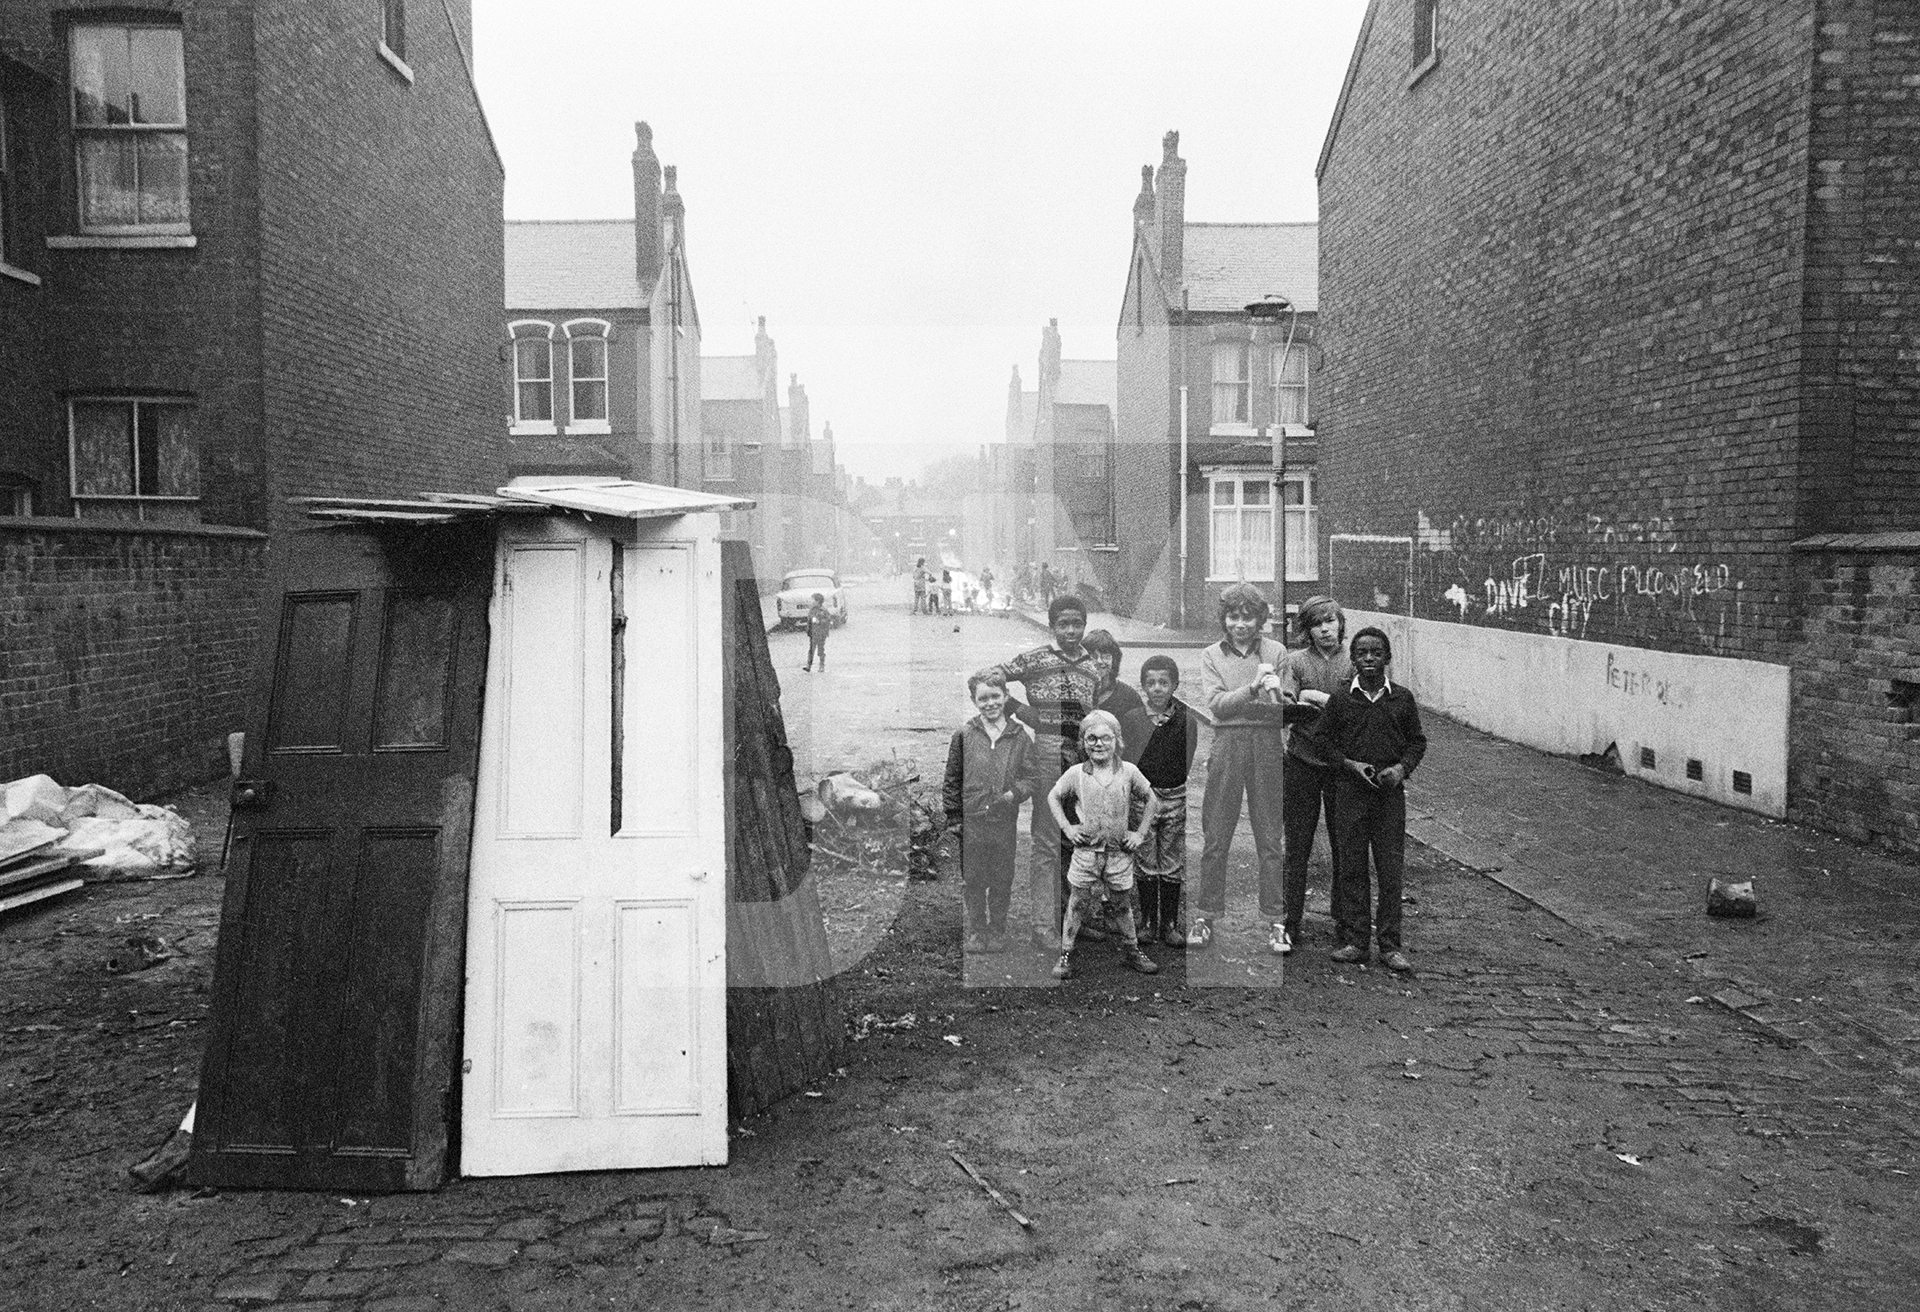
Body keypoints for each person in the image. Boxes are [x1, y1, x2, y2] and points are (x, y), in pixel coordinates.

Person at [975, 594, 1104, 951]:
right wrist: (1022, 711)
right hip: (1046, 751)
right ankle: (1042, 927)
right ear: (1052, 625)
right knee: (1047, 838)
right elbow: (986, 678)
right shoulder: (1036, 659)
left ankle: (1074, 917)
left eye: (1077, 624)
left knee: (1078, 836)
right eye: (1063, 624)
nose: (1070, 631)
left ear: (1084, 625)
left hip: (1082, 754)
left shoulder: (1093, 667)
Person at [1308, 627, 1427, 973]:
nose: (1370, 659)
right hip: (1350, 794)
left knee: (1390, 871)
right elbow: (1323, 741)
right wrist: (1349, 765)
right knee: (1352, 866)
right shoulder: (1342, 698)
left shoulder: (1401, 699)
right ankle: (1356, 940)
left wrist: (1401, 769)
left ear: (1388, 658)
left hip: (1389, 798)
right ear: (1354, 659)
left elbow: (1417, 742)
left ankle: (1390, 946)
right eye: (1362, 653)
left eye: (1377, 653)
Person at [1191, 583, 1288, 950]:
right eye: (1233, 616)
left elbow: (1283, 708)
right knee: (1216, 835)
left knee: (1269, 837)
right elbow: (1217, 705)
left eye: (1248, 617)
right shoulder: (1211, 654)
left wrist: (1276, 691)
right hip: (1227, 743)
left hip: (1266, 744)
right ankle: (1205, 917)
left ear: (1260, 619)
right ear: (1224, 619)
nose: (1241, 624)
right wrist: (1252, 689)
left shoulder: (1277, 651)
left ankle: (1275, 921)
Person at [1046, 710, 1159, 980]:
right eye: (1091, 738)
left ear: (1117, 740)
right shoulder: (1076, 774)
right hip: (1086, 853)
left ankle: (1132, 950)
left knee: (1121, 904)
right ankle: (1066, 953)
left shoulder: (1129, 771)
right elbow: (1053, 797)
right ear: (1083, 742)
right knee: (1077, 902)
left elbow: (1152, 799)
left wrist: (1139, 834)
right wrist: (1068, 828)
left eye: (1105, 738)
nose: (1098, 744)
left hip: (1119, 852)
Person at [1273, 595, 1353, 956]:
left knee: (1345, 844)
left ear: (1340, 624)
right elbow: (1286, 707)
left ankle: (1345, 920)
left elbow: (1361, 708)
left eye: (1330, 621)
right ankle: (1290, 921)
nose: (1325, 629)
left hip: (1342, 767)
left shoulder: (1356, 660)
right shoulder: (1294, 662)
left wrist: (1316, 697)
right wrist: (1296, 701)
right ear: (1307, 629)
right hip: (1302, 762)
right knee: (1297, 846)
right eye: (1317, 623)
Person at [943, 671, 1037, 954]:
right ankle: (977, 930)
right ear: (974, 701)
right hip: (972, 821)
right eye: (983, 698)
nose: (990, 703)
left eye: (996, 696)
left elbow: (1032, 777)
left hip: (1003, 821)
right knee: (973, 878)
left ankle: (997, 929)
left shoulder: (1019, 736)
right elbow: (952, 778)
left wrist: (1014, 794)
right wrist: (954, 817)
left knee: (1001, 876)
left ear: (1006, 697)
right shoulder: (964, 735)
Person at [1126, 655, 1199, 948]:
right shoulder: (1133, 719)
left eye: (1163, 682)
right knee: (1144, 858)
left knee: (1170, 858)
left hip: (1174, 796)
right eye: (1151, 682)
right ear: (1143, 685)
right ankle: (1147, 921)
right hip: (1142, 798)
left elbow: (1188, 757)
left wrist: (1171, 783)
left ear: (1175, 685)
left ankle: (1169, 922)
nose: (1157, 688)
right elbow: (1129, 758)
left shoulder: (1186, 720)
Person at [801, 593, 832, 672]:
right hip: (813, 633)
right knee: (811, 649)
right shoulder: (812, 610)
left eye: (813, 600)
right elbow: (809, 620)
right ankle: (809, 665)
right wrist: (808, 630)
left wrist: (819, 621)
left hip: (821, 633)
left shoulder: (823, 610)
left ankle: (821, 665)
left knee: (820, 650)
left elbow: (828, 620)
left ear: (818, 601)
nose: (812, 601)